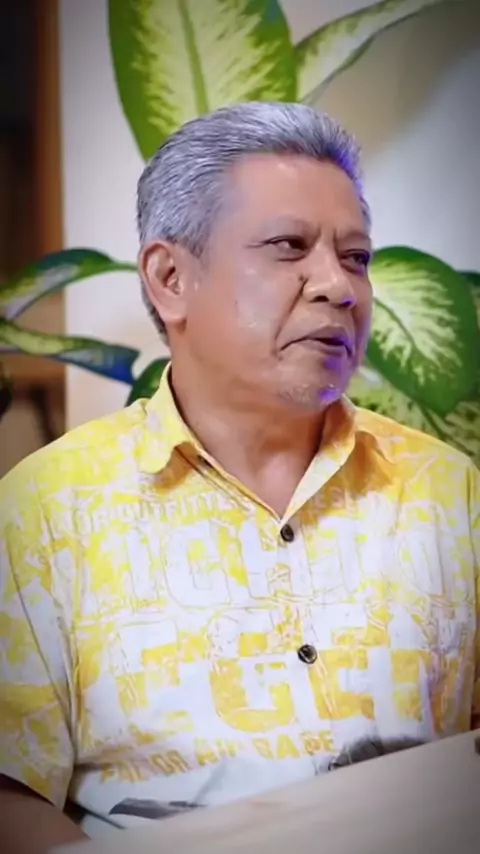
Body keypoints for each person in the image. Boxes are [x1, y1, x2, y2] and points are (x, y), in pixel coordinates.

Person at [0, 101, 478, 853]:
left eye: (356, 257)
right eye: (289, 246)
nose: (338, 286)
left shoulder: (448, 491)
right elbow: (12, 796)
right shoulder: (47, 510)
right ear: (170, 279)